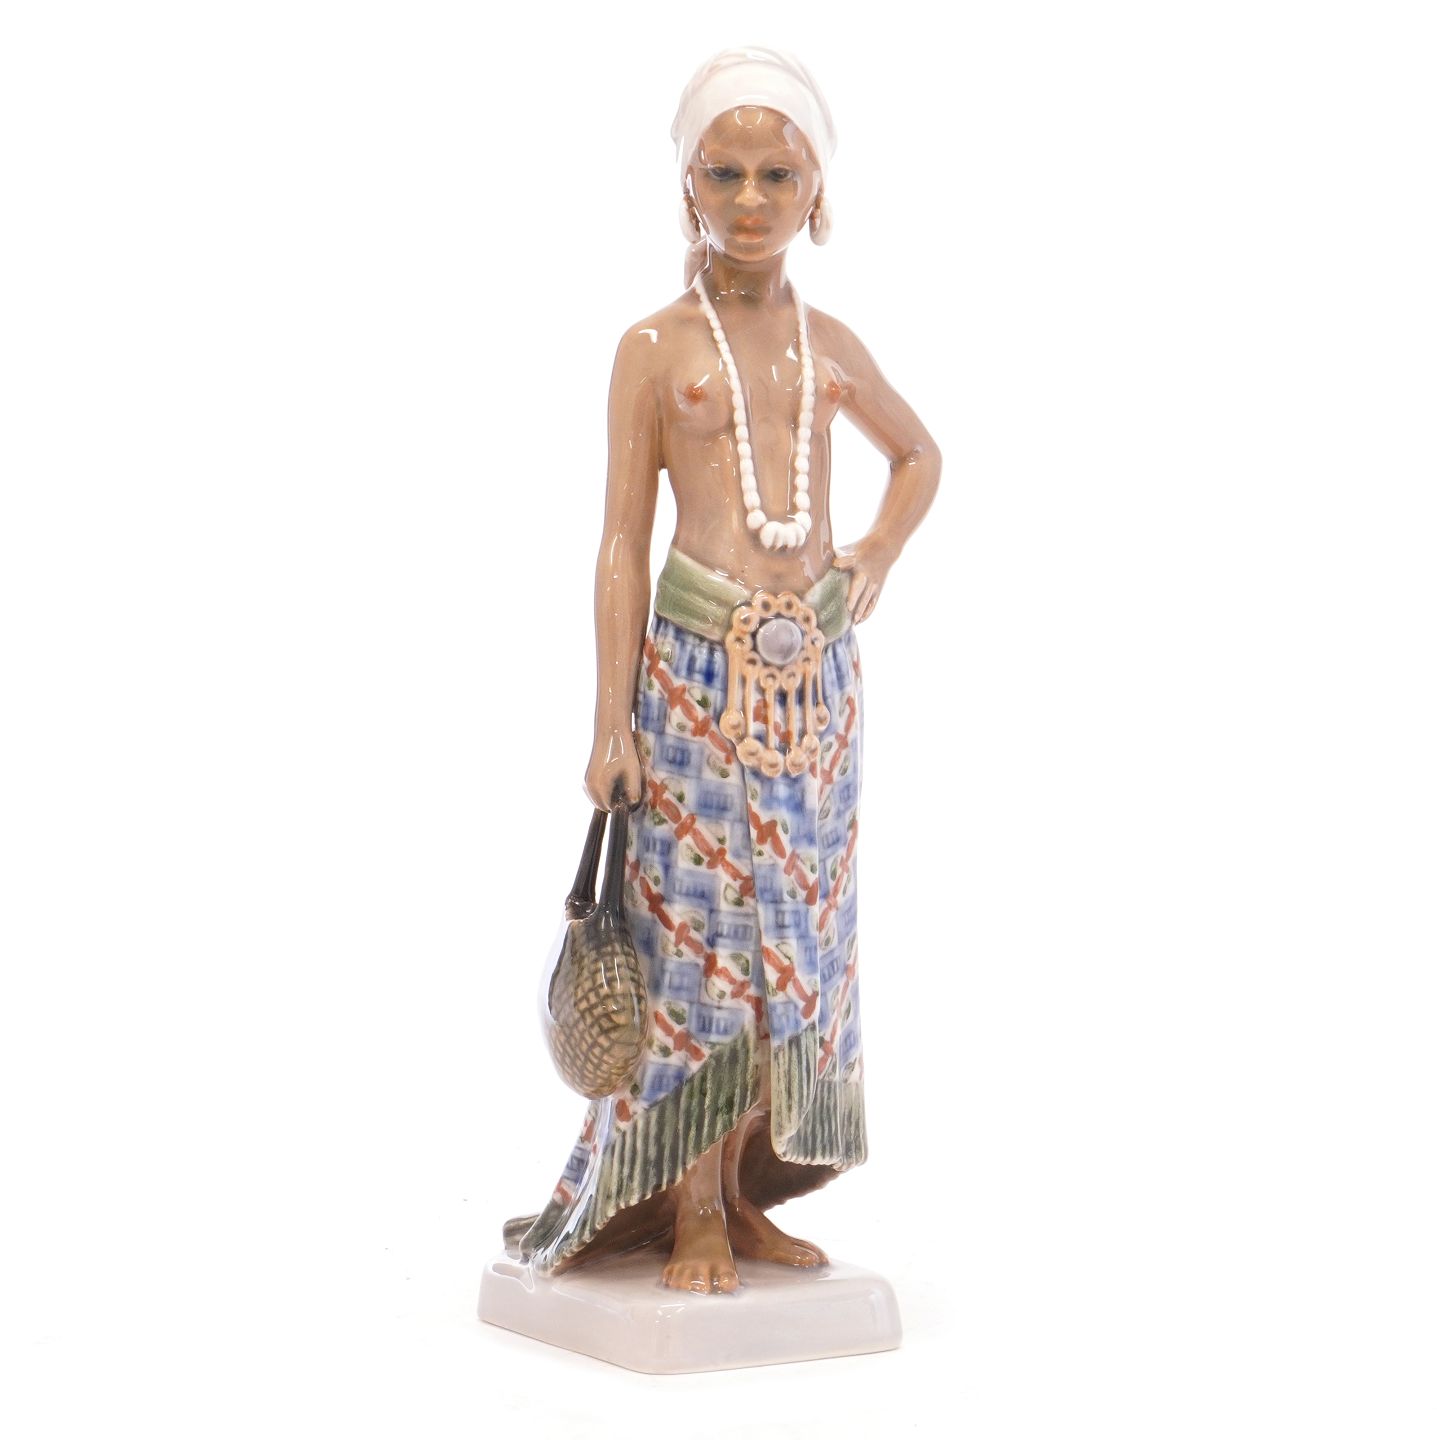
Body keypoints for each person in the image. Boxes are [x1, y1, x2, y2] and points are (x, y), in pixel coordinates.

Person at [504, 46, 941, 1295]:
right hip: (694, 680)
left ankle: (745, 1190)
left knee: (797, 938)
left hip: (817, 689)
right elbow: (620, 540)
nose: (751, 200)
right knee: (696, 940)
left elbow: (921, 457)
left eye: (777, 175)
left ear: (817, 191)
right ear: (686, 184)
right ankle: (688, 1202)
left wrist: (873, 555)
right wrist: (611, 720)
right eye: (725, 173)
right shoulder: (653, 347)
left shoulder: (828, 344)